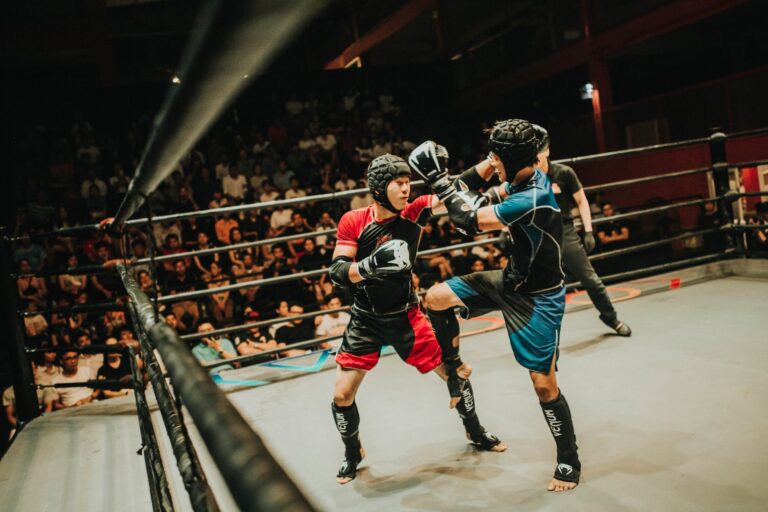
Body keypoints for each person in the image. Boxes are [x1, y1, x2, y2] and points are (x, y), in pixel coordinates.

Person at [409, 119, 581, 492]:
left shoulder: (533, 196)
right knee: (435, 298)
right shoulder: (518, 180)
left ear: (511, 158)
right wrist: (482, 168)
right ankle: (454, 370)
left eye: (495, 156)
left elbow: (467, 220)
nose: (490, 161)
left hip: (540, 299)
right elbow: (461, 199)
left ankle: (569, 459)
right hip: (510, 281)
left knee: (544, 386)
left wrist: (440, 178)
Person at [328, 154, 505, 485]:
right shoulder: (354, 220)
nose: (407, 187)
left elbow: (458, 188)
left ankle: (475, 430)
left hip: (405, 315)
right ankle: (353, 452)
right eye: (399, 182)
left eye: (409, 181)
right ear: (380, 188)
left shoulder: (413, 211)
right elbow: (338, 272)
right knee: (341, 395)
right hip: (365, 319)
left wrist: (491, 160)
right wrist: (368, 266)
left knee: (453, 374)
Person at [533, 125, 631, 336]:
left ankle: (611, 318)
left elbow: (582, 201)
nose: (536, 156)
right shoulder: (525, 179)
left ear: (547, 151)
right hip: (538, 234)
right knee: (534, 286)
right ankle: (538, 333)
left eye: (539, 151)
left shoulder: (564, 173)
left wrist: (588, 230)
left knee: (590, 280)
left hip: (564, 231)